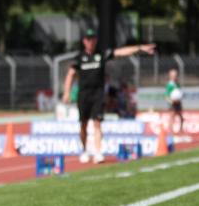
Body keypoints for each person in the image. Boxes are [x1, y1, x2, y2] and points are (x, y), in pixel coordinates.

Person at [62, 28, 155, 164]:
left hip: (98, 94)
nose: (90, 42)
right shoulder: (79, 58)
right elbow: (70, 74)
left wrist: (140, 48)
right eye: (88, 39)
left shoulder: (101, 54)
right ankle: (84, 150)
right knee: (83, 124)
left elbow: (120, 52)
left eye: (93, 39)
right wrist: (66, 92)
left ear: (96, 40)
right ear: (84, 41)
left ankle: (98, 152)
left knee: (97, 123)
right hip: (83, 95)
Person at [165, 68, 184, 134]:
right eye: (173, 76)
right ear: (170, 76)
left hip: (178, 103)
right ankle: (170, 132)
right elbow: (166, 96)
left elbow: (179, 94)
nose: (175, 77)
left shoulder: (177, 84)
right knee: (172, 117)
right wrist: (171, 101)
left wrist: (180, 98)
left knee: (181, 117)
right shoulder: (170, 85)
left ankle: (181, 130)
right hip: (172, 104)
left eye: (176, 75)